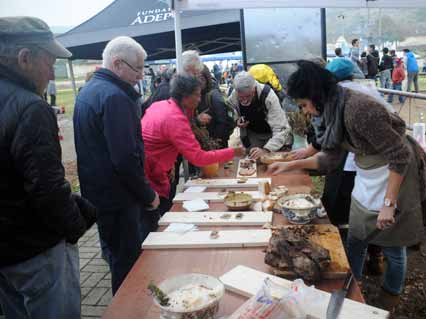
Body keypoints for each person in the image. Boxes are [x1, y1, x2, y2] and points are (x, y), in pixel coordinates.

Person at [267, 60, 426, 312]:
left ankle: (390, 298)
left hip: (395, 171)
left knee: (392, 244)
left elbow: (399, 155)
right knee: (356, 234)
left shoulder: (358, 110)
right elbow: (330, 158)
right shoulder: (332, 111)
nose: (306, 112)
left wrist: (389, 204)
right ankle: (349, 289)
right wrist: (288, 166)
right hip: (368, 170)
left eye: (304, 105)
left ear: (316, 96)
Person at [0, 16, 97, 319]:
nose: (52, 72)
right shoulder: (30, 106)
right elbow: (48, 189)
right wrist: (76, 226)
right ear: (25, 58)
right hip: (37, 247)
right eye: (50, 61)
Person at [74, 36, 160, 295]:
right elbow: (124, 159)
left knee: (115, 258)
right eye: (137, 68)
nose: (140, 75)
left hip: (99, 196)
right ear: (118, 64)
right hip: (119, 199)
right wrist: (148, 194)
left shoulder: (90, 90)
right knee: (127, 266)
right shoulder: (115, 98)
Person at [142, 74, 245, 221]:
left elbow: (156, 140)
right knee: (154, 220)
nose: (199, 99)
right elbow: (199, 158)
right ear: (184, 97)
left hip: (150, 168)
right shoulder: (175, 118)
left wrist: (168, 163)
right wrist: (233, 151)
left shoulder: (159, 105)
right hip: (149, 177)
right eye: (196, 95)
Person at [228, 71, 293, 160]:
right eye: (241, 97)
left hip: (272, 132)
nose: (244, 100)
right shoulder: (233, 97)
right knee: (253, 160)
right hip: (253, 133)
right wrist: (237, 121)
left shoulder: (268, 96)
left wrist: (266, 150)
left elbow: (280, 129)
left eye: (248, 96)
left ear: (254, 90)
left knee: (272, 160)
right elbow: (232, 112)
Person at [196, 65, 235, 148]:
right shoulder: (196, 94)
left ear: (207, 79)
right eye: (195, 78)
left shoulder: (214, 95)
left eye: (201, 78)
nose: (198, 81)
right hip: (202, 142)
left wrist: (216, 140)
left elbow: (223, 121)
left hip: (215, 143)